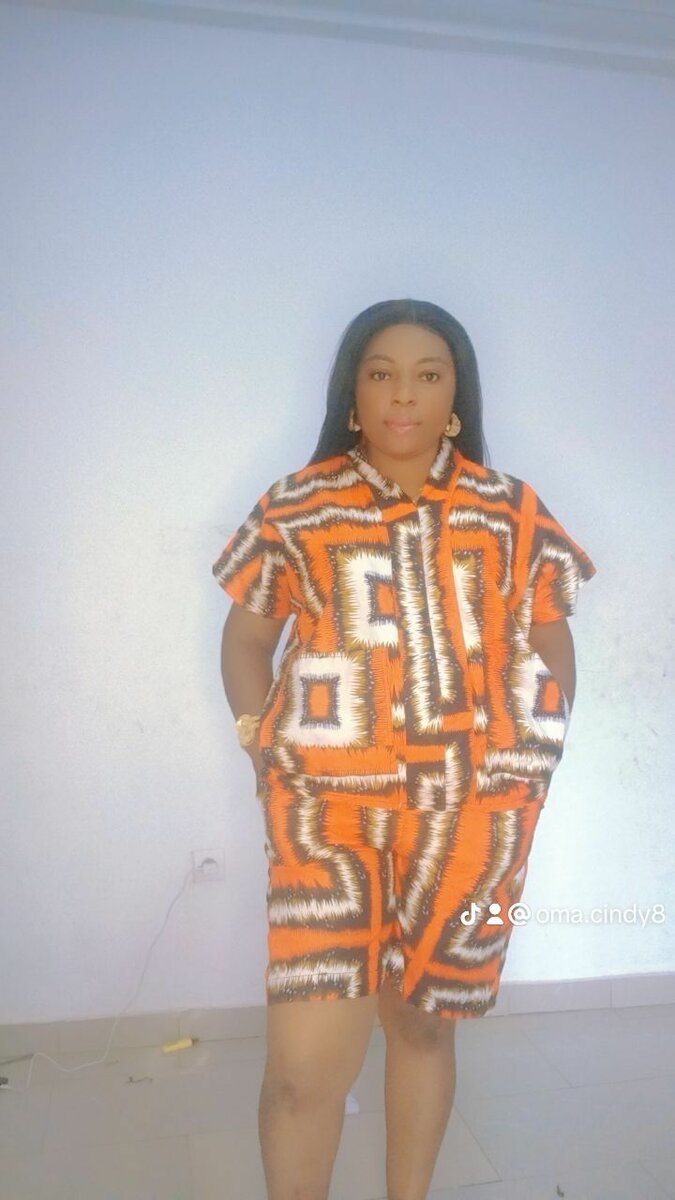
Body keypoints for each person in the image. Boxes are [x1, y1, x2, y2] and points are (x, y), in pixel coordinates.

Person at [212, 298, 596, 1200]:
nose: (403, 395)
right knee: (304, 1066)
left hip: (473, 816)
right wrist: (259, 744)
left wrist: (537, 747)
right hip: (326, 814)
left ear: (456, 395)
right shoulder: (296, 505)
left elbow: (548, 631)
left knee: (425, 1026)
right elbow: (245, 640)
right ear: (352, 391)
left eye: (428, 374)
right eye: (381, 373)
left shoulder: (510, 509)